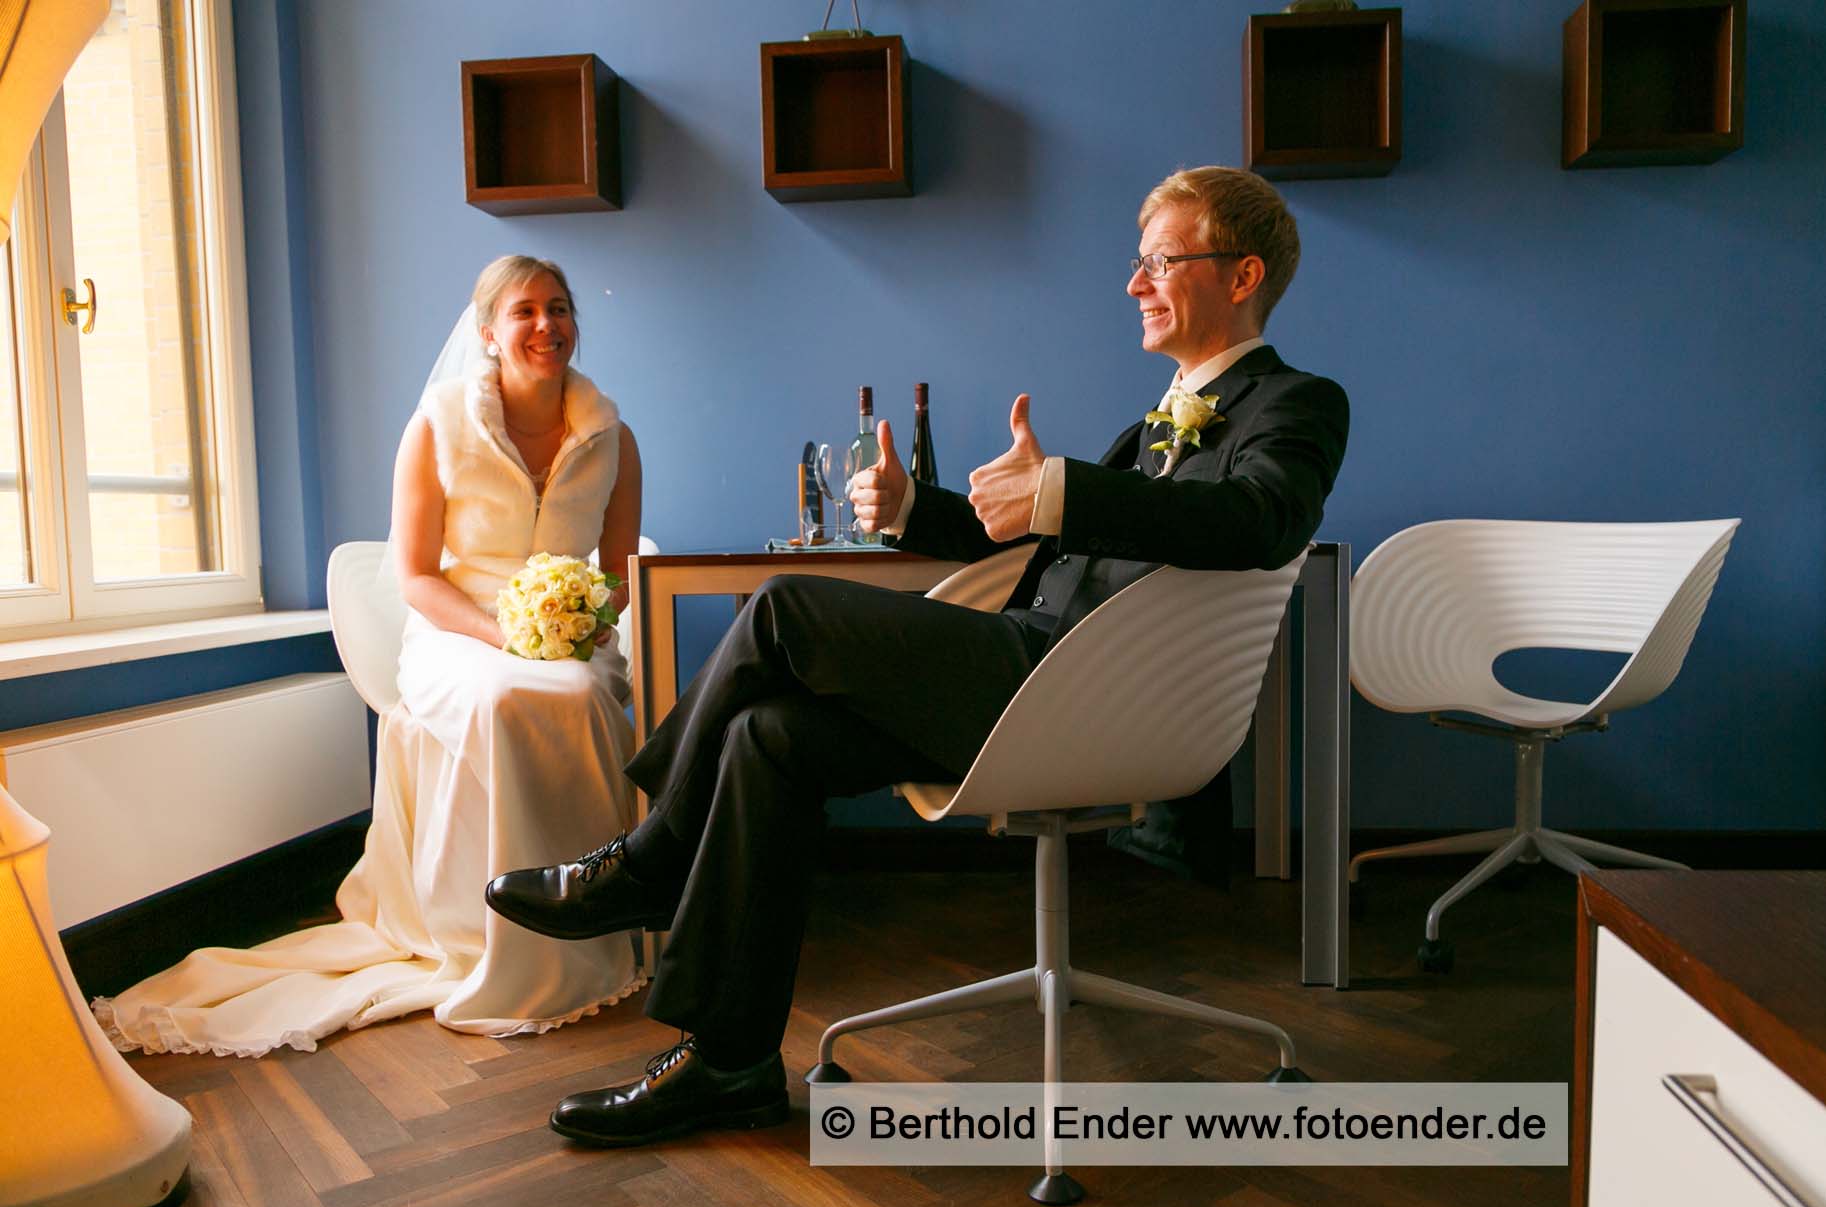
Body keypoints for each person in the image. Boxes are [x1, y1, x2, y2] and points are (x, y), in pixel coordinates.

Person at [485, 167, 1349, 1144]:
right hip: (1031, 673)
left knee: (782, 610)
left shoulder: (1298, 403)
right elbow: (1040, 538)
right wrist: (909, 512)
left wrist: (1061, 485)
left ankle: (647, 860)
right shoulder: (1149, 424)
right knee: (770, 735)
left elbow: (1257, 517)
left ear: (1238, 277)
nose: (1133, 282)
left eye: (1159, 260)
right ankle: (727, 1060)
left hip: (1074, 694)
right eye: (1137, 261)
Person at [94, 256, 647, 1056]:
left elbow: (623, 574)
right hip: (455, 630)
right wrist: (502, 635)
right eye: (523, 311)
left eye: (558, 308)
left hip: (567, 638)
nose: (545, 325)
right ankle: (504, 934)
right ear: (487, 331)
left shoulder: (613, 436)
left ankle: (595, 917)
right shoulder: (437, 426)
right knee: (501, 697)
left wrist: (582, 624)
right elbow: (415, 576)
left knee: (581, 693)